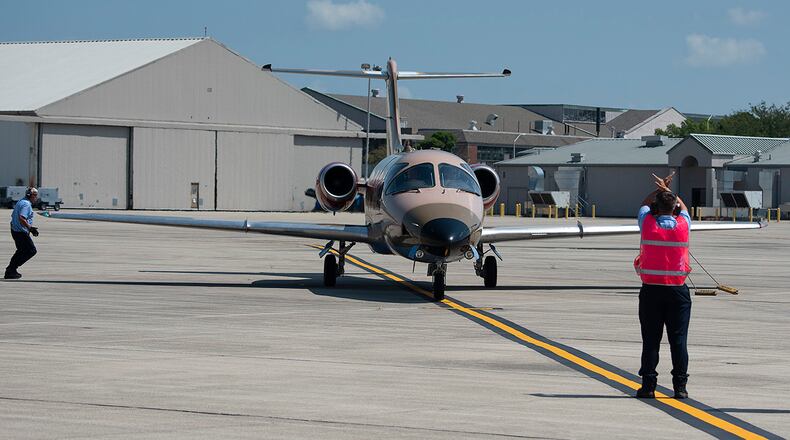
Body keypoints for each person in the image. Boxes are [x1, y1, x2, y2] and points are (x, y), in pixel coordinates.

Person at [633, 172, 692, 399]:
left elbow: (643, 205)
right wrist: (668, 192)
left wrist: (659, 190)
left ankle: (648, 386)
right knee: (678, 341)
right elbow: (683, 209)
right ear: (674, 207)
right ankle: (680, 387)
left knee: (650, 340)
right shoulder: (683, 226)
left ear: (656, 207)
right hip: (678, 292)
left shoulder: (648, 224)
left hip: (651, 291)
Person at [5, 187, 39, 279]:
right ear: (31, 196)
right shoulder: (26, 205)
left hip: (15, 230)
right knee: (31, 251)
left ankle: (10, 270)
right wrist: (30, 228)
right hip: (20, 232)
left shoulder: (21, 201)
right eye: (35, 195)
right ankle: (11, 269)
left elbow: (13, 216)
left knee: (21, 250)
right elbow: (22, 218)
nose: (36, 198)